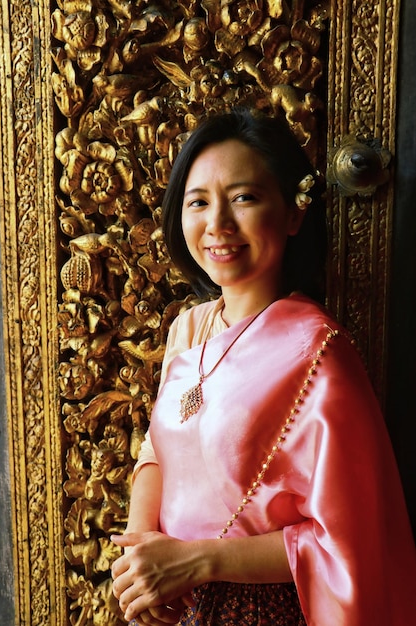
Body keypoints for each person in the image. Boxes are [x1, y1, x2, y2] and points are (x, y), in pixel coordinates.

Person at [111, 109, 416, 625]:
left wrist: (200, 560)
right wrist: (142, 559)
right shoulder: (188, 329)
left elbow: (348, 535)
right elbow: (156, 455)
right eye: (199, 202)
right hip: (176, 599)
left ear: (294, 213)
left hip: (262, 607)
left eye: (244, 198)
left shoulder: (318, 351)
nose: (218, 225)